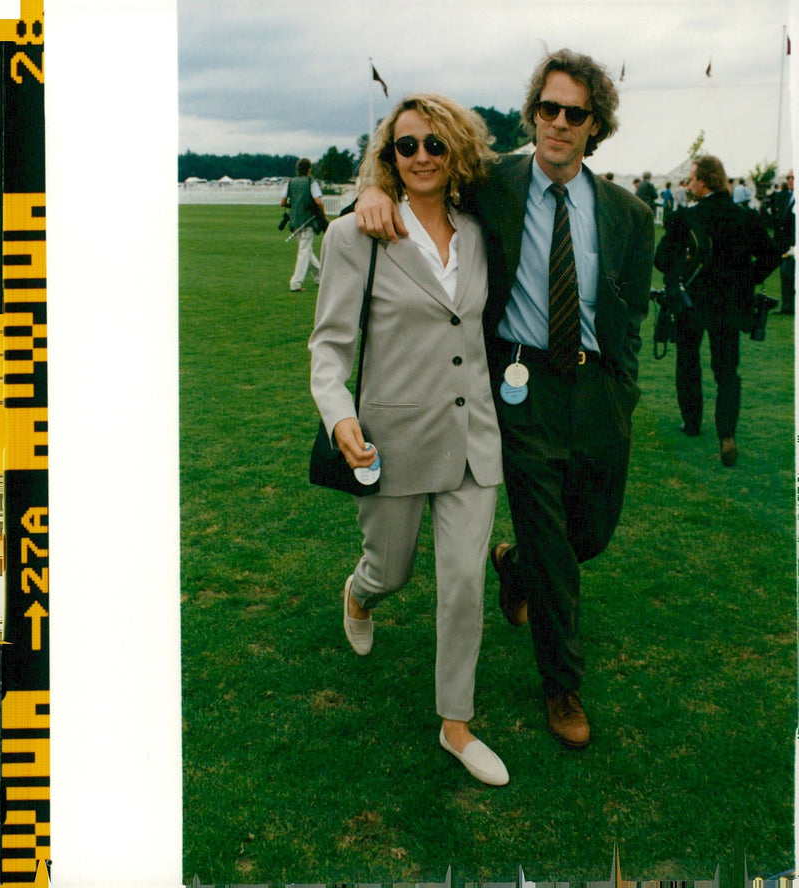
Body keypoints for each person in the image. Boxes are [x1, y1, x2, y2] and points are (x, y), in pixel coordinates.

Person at [355, 48, 654, 750]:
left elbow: (630, 313)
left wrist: (626, 391)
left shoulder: (629, 215)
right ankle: (562, 685)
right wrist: (371, 186)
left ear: (594, 126)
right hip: (517, 388)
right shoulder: (493, 183)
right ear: (534, 113)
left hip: (598, 388)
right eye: (546, 108)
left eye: (572, 113)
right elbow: (416, 175)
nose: (556, 122)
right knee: (554, 541)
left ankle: (513, 567)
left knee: (590, 536)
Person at [309, 93, 509, 785]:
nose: (421, 156)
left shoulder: (480, 231)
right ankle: (360, 594)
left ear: (456, 150)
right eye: (405, 146)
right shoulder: (354, 235)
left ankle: (456, 725)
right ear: (388, 156)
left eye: (434, 144)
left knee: (463, 585)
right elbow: (330, 348)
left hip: (472, 440)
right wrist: (339, 417)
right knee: (392, 570)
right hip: (389, 443)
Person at [654, 155, 782, 465]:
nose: (689, 183)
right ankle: (726, 434)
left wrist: (681, 273)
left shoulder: (687, 217)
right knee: (727, 371)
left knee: (688, 362)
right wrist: (747, 281)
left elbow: (661, 259)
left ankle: (692, 422)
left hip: (692, 302)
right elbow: (771, 256)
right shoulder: (745, 217)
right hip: (730, 305)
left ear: (704, 180)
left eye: (693, 178)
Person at [281, 158, 327, 292]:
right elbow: (318, 201)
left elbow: (283, 202)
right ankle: (295, 283)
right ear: (309, 169)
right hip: (307, 220)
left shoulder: (291, 182)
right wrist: (323, 215)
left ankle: (320, 277)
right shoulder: (310, 182)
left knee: (306, 250)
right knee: (304, 251)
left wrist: (294, 206)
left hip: (295, 221)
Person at [772, 170, 795, 315]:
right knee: (786, 275)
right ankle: (787, 306)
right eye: (788, 177)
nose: (790, 180)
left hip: (794, 243)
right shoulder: (787, 197)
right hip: (786, 244)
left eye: (793, 177)